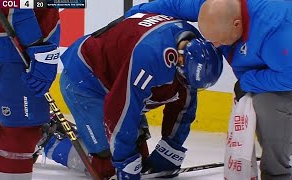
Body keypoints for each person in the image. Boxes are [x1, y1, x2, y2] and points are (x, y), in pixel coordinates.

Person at [42, 13, 223, 179]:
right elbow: (121, 109)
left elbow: (185, 102)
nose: (188, 86)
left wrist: (171, 148)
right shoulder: (151, 55)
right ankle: (45, 138)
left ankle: (89, 135)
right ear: (179, 60)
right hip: (86, 79)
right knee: (107, 167)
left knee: (138, 157)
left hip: (119, 79)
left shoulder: (194, 50)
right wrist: (124, 162)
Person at [125, 0, 292, 179]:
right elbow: (172, 5)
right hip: (272, 66)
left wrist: (248, 80)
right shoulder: (213, 6)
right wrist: (131, 18)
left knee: (266, 103)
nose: (216, 46)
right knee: (247, 96)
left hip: (286, 74)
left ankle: (278, 174)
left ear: (236, 23)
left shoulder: (277, 28)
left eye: (218, 40)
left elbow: (289, 78)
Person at [0, 9, 60, 180]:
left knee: (12, 123)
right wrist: (38, 48)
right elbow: (13, 6)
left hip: (9, 42)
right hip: (16, 44)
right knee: (21, 131)